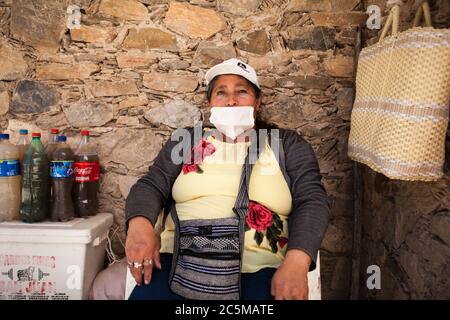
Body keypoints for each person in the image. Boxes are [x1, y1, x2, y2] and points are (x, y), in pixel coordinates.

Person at [124, 58, 330, 300]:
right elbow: (152, 184)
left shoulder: (285, 144)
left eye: (242, 92)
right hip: (177, 263)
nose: (231, 101)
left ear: (258, 101)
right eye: (221, 93)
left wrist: (297, 260)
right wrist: (139, 225)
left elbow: (312, 199)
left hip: (260, 268)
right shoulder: (187, 141)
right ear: (210, 103)